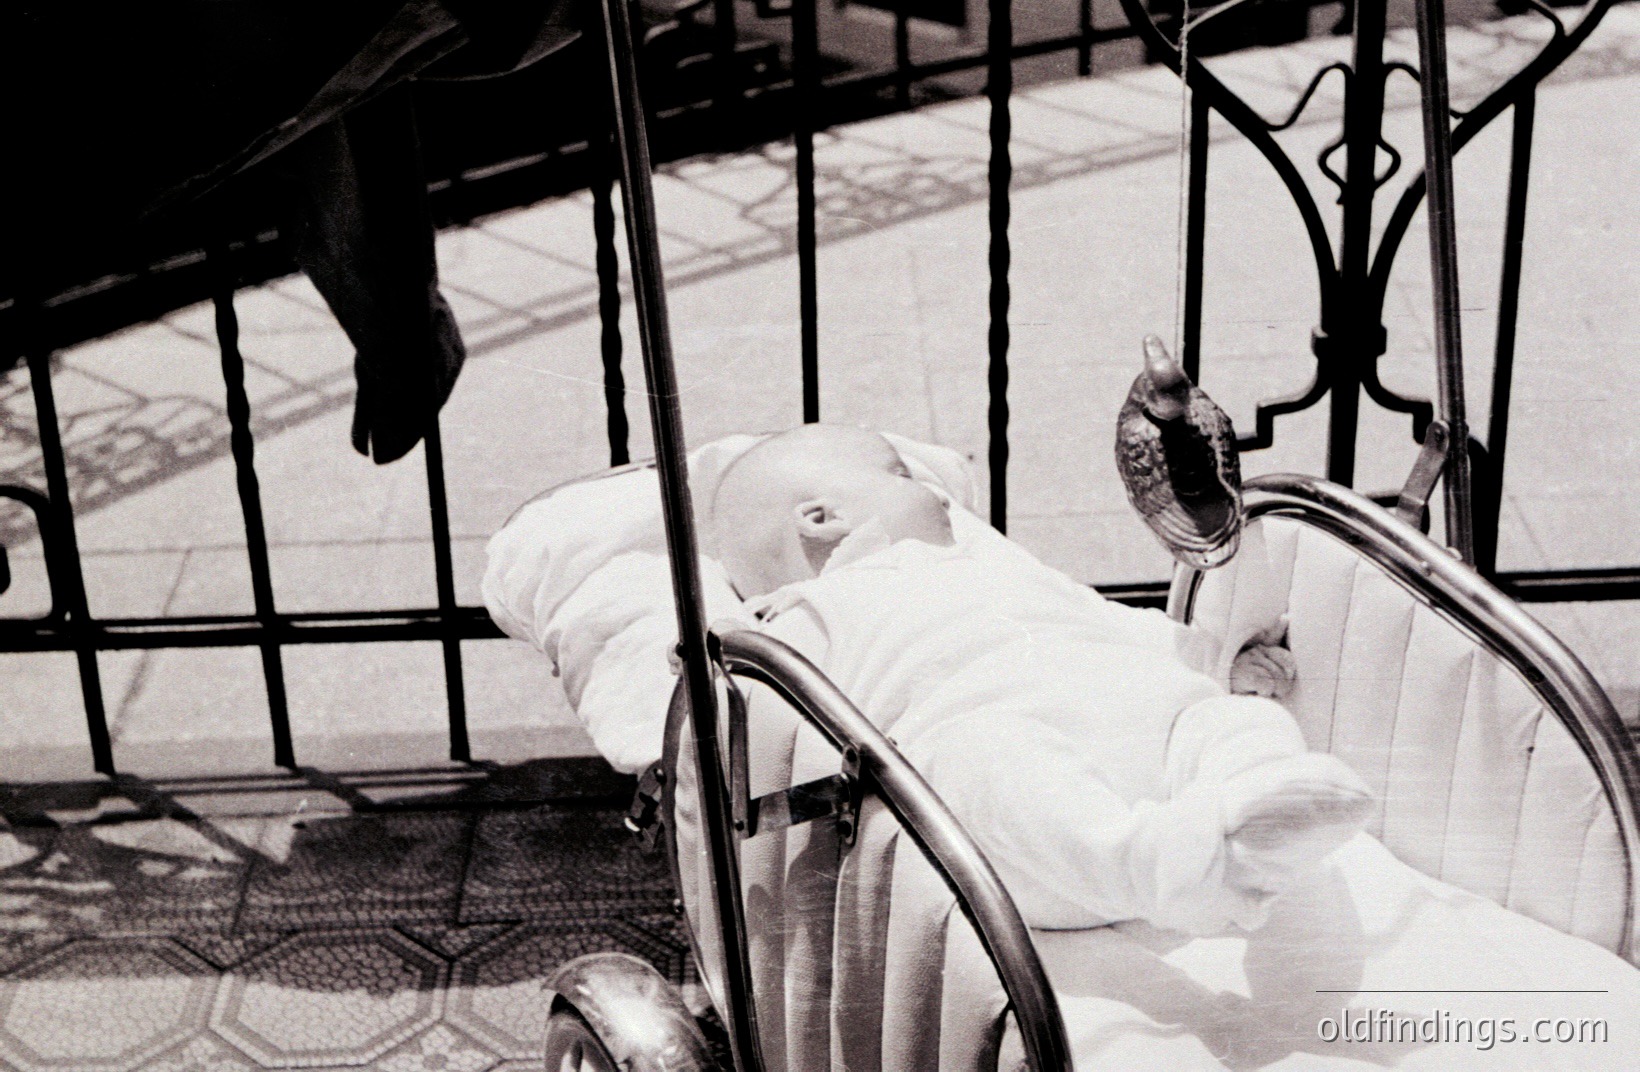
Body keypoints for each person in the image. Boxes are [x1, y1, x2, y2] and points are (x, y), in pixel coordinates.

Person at [708, 424, 1369, 935]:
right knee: (983, 760)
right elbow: (773, 720)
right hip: (1035, 830)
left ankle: (1249, 811)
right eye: (900, 473)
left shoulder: (996, 565)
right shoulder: (808, 613)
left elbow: (1108, 620)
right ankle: (1164, 863)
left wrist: (1218, 664)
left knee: (1229, 719)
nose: (939, 490)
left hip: (1138, 730)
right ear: (823, 519)